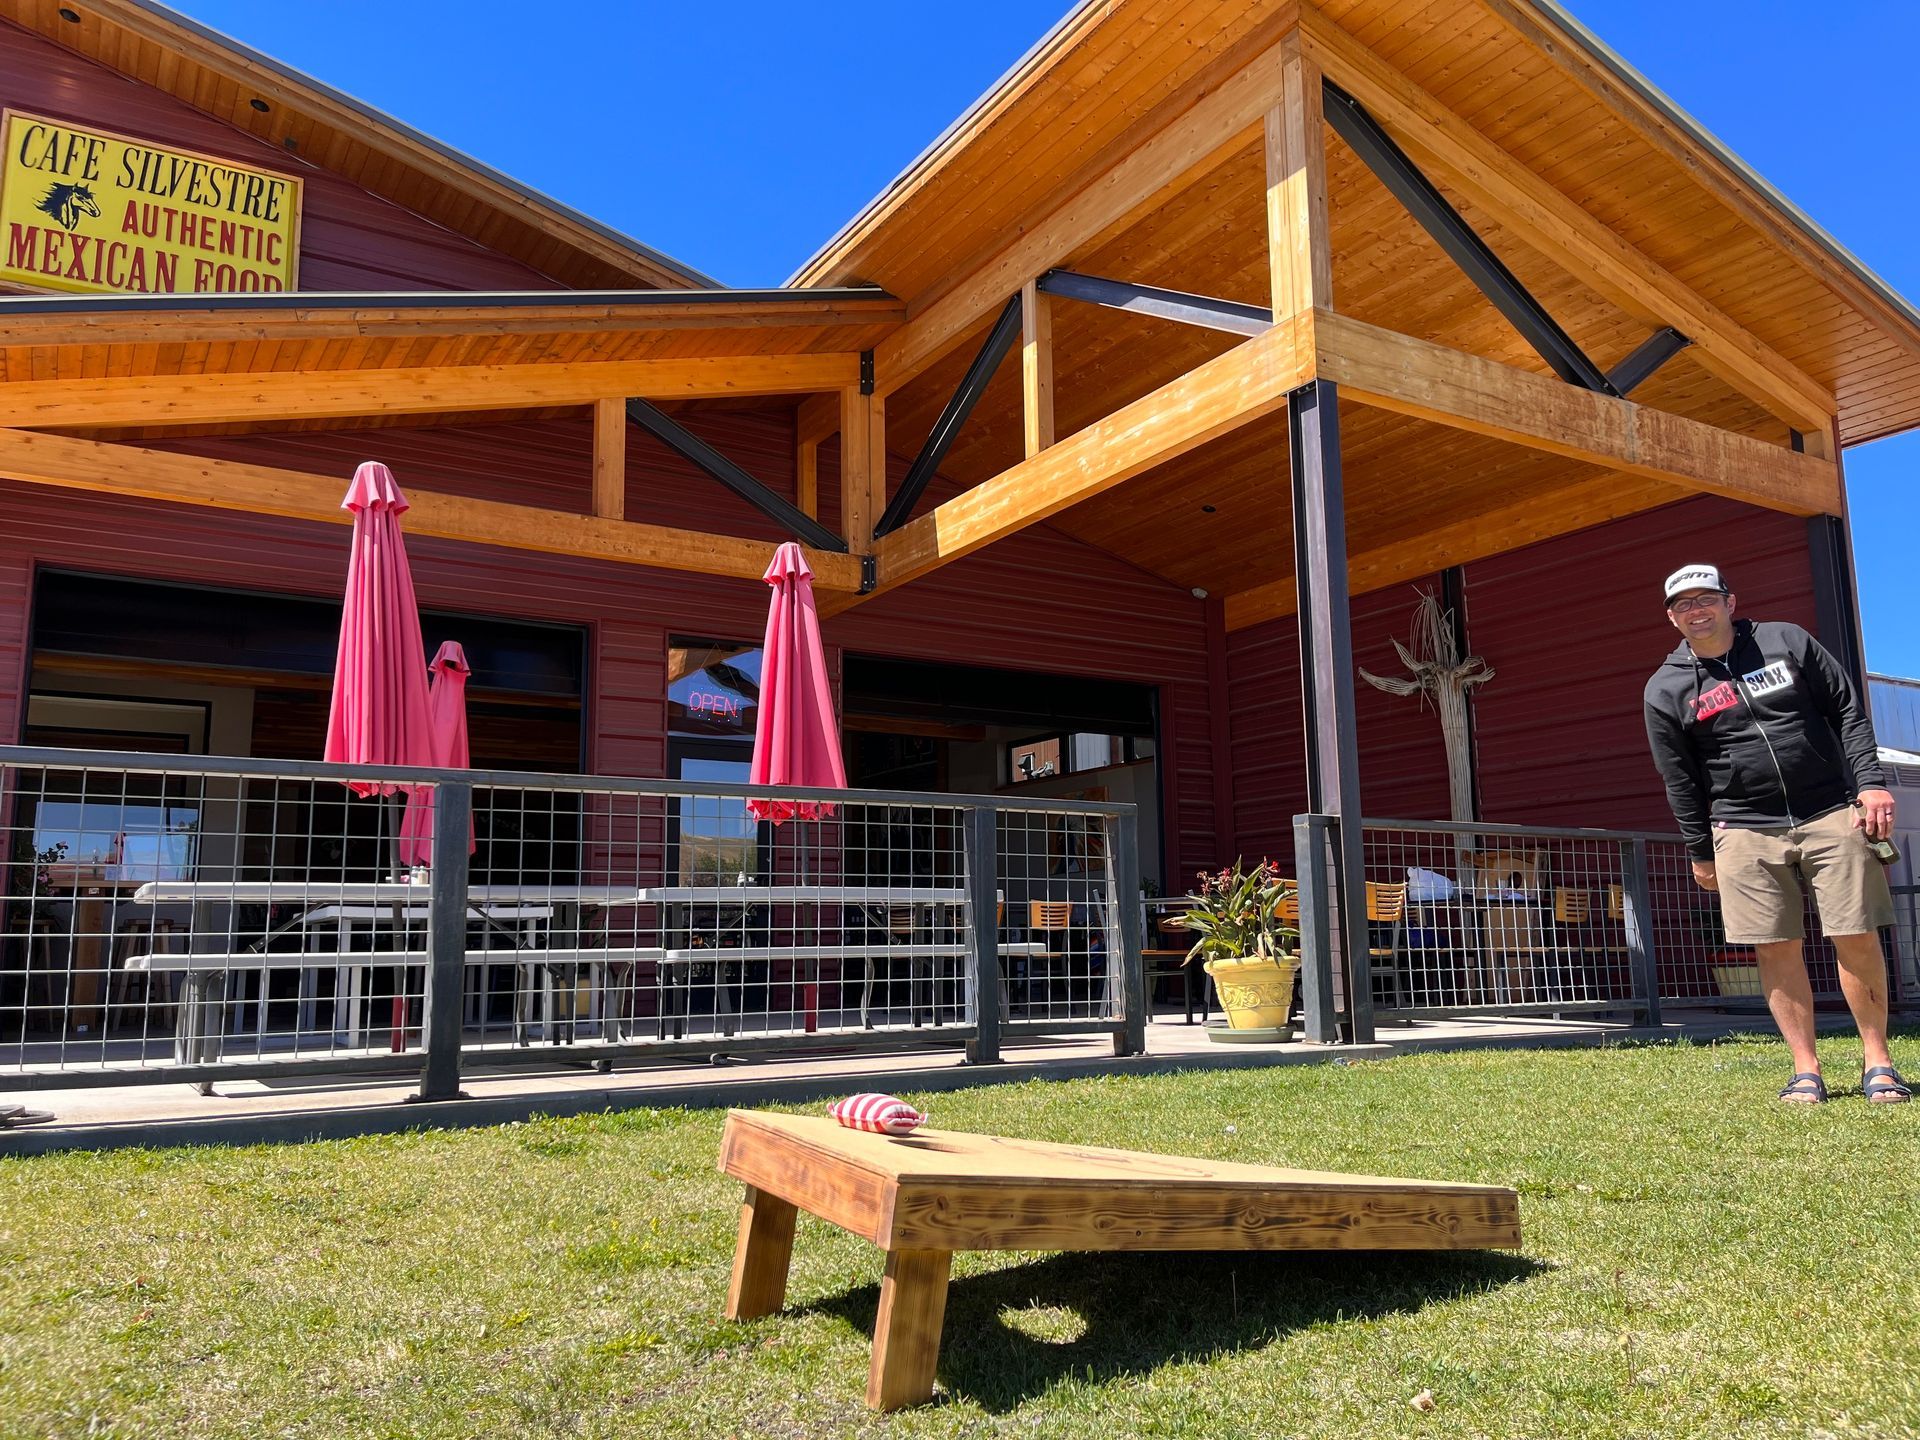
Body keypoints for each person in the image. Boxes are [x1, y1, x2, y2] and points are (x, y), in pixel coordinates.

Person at [1644, 563, 1904, 1104]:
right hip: (1742, 827)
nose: (1696, 610)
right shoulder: (1665, 689)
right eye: (1683, 604)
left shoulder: (1786, 641)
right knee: (1774, 946)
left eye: (1706, 598)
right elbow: (1680, 779)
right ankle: (1806, 1069)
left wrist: (1871, 784)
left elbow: (1847, 711)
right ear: (1671, 618)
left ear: (1730, 602)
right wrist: (1701, 852)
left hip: (1830, 810)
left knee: (1856, 933)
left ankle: (1878, 1062)